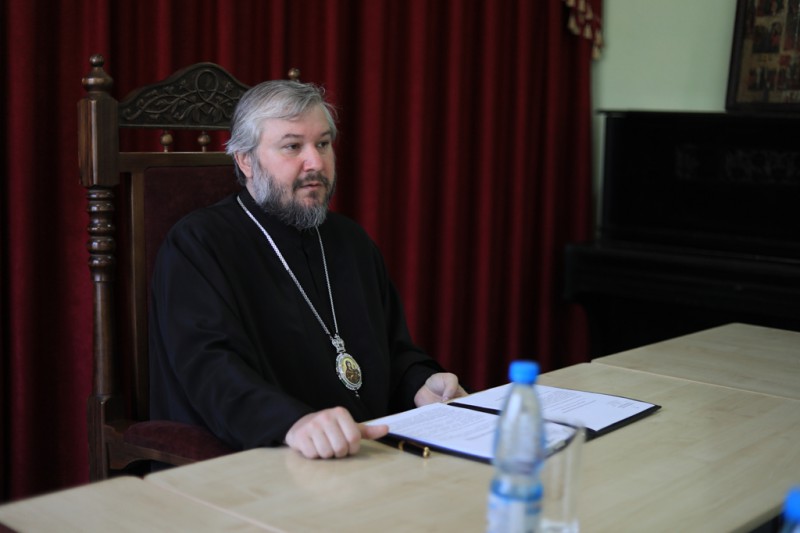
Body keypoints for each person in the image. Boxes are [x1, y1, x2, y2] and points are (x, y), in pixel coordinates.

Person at [149, 79, 466, 460]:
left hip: (365, 452)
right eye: (292, 146)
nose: (315, 162)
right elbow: (209, 371)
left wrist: (420, 383)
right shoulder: (198, 244)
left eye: (323, 143)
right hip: (262, 458)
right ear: (246, 160)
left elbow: (393, 350)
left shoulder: (351, 241)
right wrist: (292, 423)